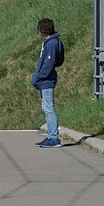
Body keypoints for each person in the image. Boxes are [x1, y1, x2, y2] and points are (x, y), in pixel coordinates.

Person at [30, 18, 64, 148]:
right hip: (47, 79)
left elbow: (48, 64)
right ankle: (51, 136)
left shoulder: (50, 44)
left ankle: (54, 138)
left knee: (49, 108)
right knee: (46, 107)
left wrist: (39, 77)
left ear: (42, 30)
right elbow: (59, 60)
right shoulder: (55, 41)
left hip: (46, 80)